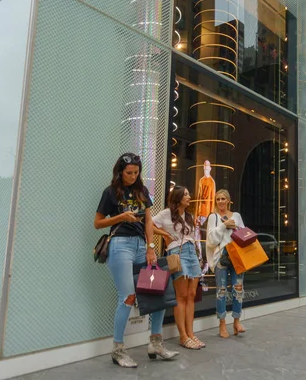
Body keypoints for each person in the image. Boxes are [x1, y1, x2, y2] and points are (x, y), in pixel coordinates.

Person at [94, 153, 178, 368]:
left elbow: (149, 221)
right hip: (120, 245)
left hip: (142, 245)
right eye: (129, 172)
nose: (133, 176)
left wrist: (151, 247)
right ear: (120, 172)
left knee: (158, 291)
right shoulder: (111, 192)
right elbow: (98, 223)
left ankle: (156, 343)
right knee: (128, 297)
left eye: (136, 172)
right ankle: (118, 349)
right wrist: (121, 217)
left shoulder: (142, 191)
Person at [152, 186, 204, 350]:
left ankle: (191, 334)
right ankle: (183, 336)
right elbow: (149, 223)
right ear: (178, 197)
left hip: (191, 252)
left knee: (191, 294)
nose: (189, 197)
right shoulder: (166, 213)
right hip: (177, 253)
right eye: (186, 194)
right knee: (181, 296)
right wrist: (165, 235)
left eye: (189, 193)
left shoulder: (188, 216)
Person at [206, 189, 247, 339]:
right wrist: (224, 226)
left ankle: (237, 321)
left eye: (223, 199)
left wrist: (234, 226)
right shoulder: (213, 217)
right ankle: (222, 323)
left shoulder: (236, 216)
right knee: (221, 290)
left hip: (237, 255)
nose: (221, 202)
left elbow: (243, 233)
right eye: (218, 199)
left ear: (228, 200)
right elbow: (211, 240)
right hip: (221, 256)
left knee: (239, 288)